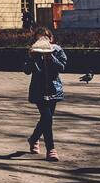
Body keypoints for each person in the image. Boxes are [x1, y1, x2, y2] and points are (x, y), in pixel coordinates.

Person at [24, 28, 67, 161]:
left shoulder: (57, 50)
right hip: (38, 89)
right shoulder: (33, 51)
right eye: (39, 38)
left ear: (51, 39)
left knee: (46, 119)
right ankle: (51, 149)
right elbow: (26, 70)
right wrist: (32, 58)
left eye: (45, 38)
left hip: (54, 89)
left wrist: (50, 57)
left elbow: (62, 67)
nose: (42, 41)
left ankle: (34, 138)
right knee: (47, 118)